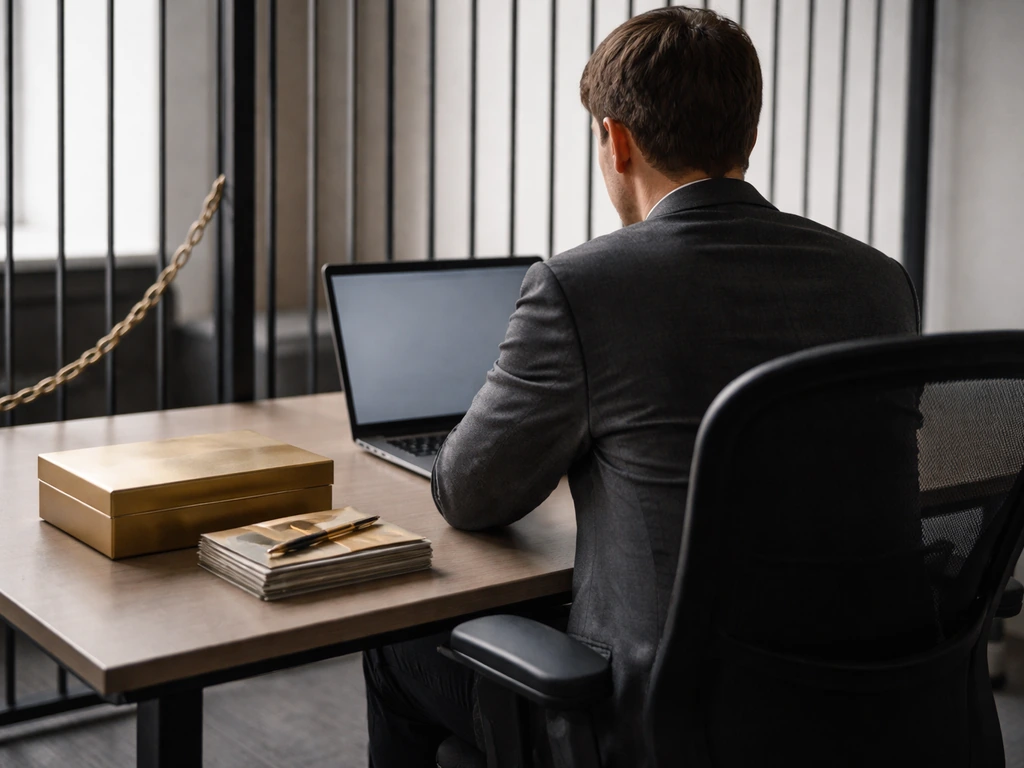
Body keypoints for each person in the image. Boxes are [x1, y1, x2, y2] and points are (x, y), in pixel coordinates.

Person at [363, 6, 919, 766]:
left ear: (616, 141)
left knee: (393, 649)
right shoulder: (879, 283)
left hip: (663, 724)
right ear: (747, 137)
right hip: (863, 705)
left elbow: (467, 493)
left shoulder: (583, 288)